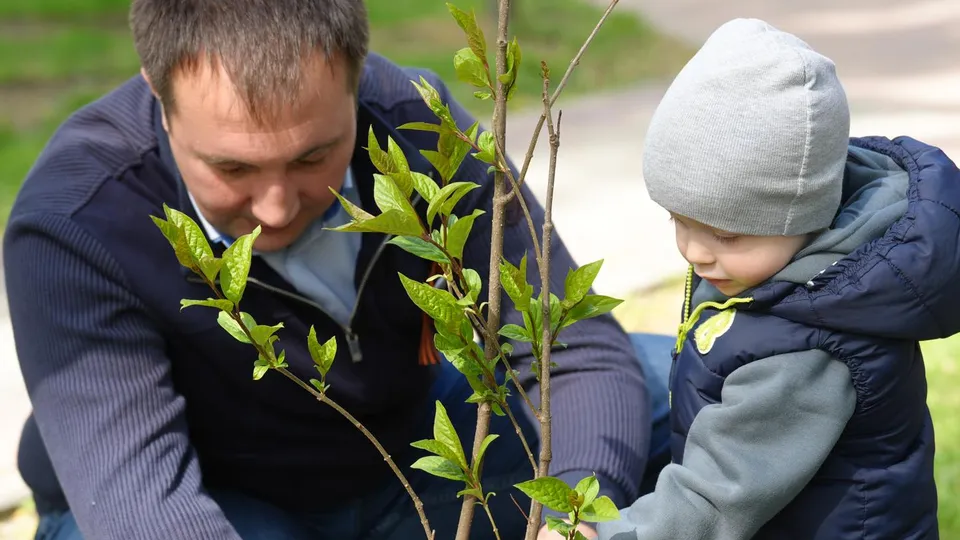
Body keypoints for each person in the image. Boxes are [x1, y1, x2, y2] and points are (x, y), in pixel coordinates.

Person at [3, 1, 674, 539]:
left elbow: (571, 349)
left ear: (358, 80)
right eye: (232, 168)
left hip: (403, 454)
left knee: (678, 385)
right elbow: (140, 509)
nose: (276, 206)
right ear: (157, 92)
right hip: (213, 501)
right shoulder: (78, 221)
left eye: (311, 158)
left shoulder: (415, 126)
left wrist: (573, 522)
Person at [598, 18, 957, 540]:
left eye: (726, 235)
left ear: (805, 216)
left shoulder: (806, 351)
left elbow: (716, 496)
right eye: (678, 219)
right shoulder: (777, 275)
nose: (695, 252)